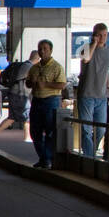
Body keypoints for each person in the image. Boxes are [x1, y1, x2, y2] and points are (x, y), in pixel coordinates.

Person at [25, 40, 65, 168]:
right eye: (40, 49)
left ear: (50, 50)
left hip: (51, 100)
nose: (42, 51)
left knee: (50, 131)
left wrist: (46, 84)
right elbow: (27, 83)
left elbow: (62, 84)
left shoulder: (57, 67)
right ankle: (43, 157)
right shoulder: (34, 67)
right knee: (34, 131)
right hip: (37, 100)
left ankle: (47, 158)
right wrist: (33, 83)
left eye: (45, 49)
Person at [77, 23, 109, 157]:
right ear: (94, 35)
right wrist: (94, 43)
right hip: (87, 94)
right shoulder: (85, 48)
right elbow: (86, 59)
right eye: (99, 35)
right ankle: (89, 156)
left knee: (101, 130)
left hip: (101, 96)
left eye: (105, 35)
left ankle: (91, 150)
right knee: (86, 129)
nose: (103, 38)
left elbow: (106, 71)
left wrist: (108, 87)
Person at [0, 50, 40, 143]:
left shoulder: (23, 65)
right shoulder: (29, 67)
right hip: (21, 95)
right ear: (38, 59)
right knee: (28, 116)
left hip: (14, 94)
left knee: (12, 118)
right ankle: (27, 137)